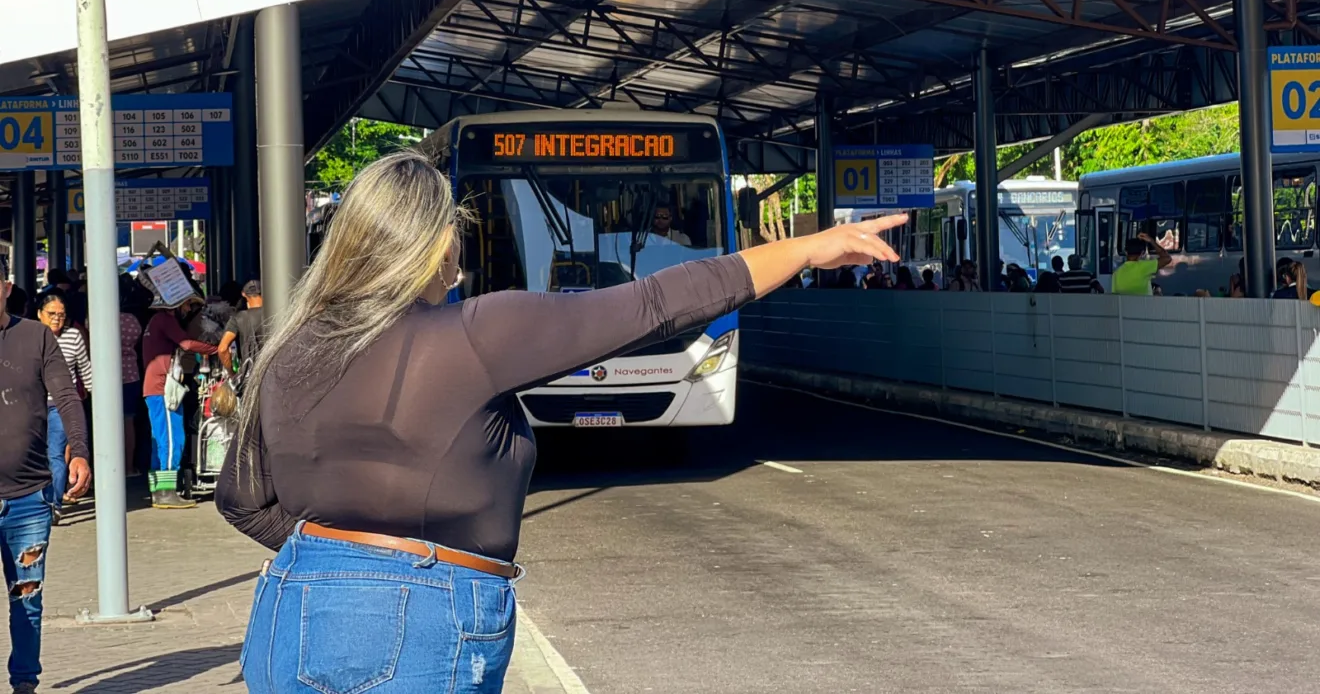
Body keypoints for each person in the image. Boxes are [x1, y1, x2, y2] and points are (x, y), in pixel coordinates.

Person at [216, 151, 908, 694]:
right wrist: (806, 248)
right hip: (420, 615)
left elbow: (242, 498)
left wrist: (346, 560)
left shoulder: (289, 345)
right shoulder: (477, 333)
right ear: (436, 248)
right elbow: (656, 304)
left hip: (291, 609)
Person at [0, 278, 91, 694]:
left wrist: (80, 450)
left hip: (28, 500)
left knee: (27, 599)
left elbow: (68, 398)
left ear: (5, 287)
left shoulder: (35, 336)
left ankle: (23, 685)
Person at [142, 290, 218, 509]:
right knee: (172, 439)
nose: (187, 309)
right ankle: (167, 492)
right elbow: (187, 344)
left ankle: (158, 490)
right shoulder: (165, 320)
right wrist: (215, 349)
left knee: (159, 440)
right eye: (185, 304)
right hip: (163, 387)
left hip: (155, 387)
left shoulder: (155, 321)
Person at [36, 293, 91, 513]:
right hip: (33, 406)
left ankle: (54, 504)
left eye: (61, 315)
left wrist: (96, 396)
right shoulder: (31, 336)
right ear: (39, 314)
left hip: (61, 405)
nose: (57, 319)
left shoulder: (73, 336)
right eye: (52, 314)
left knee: (55, 453)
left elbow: (84, 369)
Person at [119, 277, 145, 477]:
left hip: (103, 378)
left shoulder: (95, 318)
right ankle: (128, 466)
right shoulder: (132, 321)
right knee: (129, 422)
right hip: (131, 374)